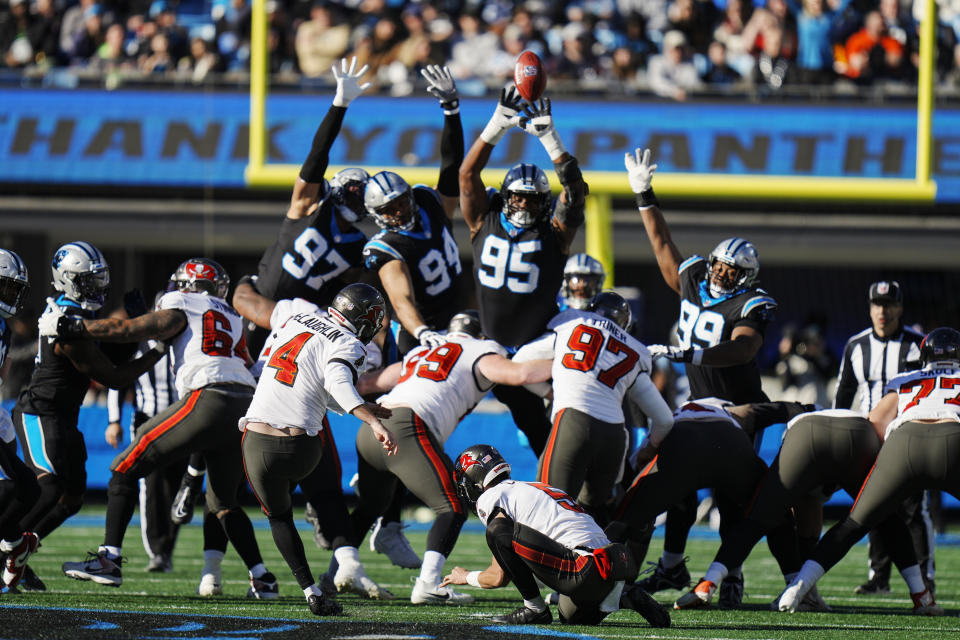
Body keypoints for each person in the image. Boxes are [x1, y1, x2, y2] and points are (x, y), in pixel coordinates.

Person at [48, 258, 279, 596]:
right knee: (224, 503)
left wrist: (76, 327)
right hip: (245, 404)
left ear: (184, 284)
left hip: (208, 396)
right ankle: (263, 578)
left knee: (123, 468)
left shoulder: (180, 302)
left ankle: (109, 559)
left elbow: (128, 331)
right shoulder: (230, 314)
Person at [624, 148, 777, 604]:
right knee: (678, 485)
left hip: (738, 409)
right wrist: (643, 194)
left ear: (745, 278)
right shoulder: (693, 277)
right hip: (697, 404)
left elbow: (744, 347)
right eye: (718, 266)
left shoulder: (751, 304)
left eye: (731, 272)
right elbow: (662, 247)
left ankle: (731, 575)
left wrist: (691, 352)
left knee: (733, 497)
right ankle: (671, 566)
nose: (721, 275)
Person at [348, 310, 553, 605]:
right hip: (407, 426)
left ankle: (337, 572)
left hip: (372, 424)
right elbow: (520, 374)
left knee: (371, 506)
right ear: (482, 334)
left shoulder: (424, 350)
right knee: (453, 506)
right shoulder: (482, 351)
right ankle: (429, 584)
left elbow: (368, 383)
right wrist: (570, 361)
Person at [12, 241, 166, 590]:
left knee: (72, 499)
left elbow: (114, 353)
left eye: (98, 281)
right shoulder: (65, 322)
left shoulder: (81, 317)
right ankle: (9, 550)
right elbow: (114, 376)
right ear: (67, 280)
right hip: (39, 412)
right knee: (49, 489)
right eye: (87, 281)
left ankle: (17, 554)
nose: (96, 288)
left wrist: (138, 329)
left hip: (65, 417)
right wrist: (156, 346)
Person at [231, 277, 397, 599]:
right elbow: (337, 382)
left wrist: (361, 407)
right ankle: (315, 509)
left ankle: (309, 588)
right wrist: (371, 420)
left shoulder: (296, 316)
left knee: (279, 518)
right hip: (301, 447)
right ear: (363, 320)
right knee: (323, 486)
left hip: (253, 441)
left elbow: (323, 387)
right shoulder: (350, 343)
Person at [777, 327, 960, 616]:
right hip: (953, 438)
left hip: (904, 442)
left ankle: (797, 588)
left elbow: (875, 422)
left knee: (853, 523)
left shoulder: (907, 379)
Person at [675, 407, 917, 612]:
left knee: (758, 518)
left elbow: (807, 510)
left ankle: (708, 583)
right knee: (881, 516)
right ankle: (922, 594)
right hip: (859, 432)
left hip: (804, 432)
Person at [459, 87, 588, 457]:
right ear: (504, 195)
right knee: (437, 400)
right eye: (516, 196)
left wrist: (550, 138)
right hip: (489, 345)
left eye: (532, 199)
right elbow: (467, 174)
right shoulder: (484, 220)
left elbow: (576, 193)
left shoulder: (554, 234)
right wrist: (496, 124)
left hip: (535, 348)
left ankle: (581, 491)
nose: (522, 204)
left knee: (545, 429)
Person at [442, 444, 671, 628]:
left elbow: (498, 575)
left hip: (584, 567)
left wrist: (466, 577)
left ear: (474, 481)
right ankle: (626, 596)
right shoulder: (534, 487)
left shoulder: (492, 496)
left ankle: (534, 609)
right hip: (613, 564)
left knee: (497, 532)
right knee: (572, 617)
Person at [607, 400, 807, 605]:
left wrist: (630, 506)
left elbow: (637, 464)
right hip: (730, 442)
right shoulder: (728, 410)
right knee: (772, 509)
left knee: (628, 518)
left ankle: (615, 585)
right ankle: (795, 583)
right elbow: (771, 410)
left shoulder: (680, 411)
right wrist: (808, 408)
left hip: (682, 443)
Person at [513, 292, 673, 523]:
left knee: (546, 506)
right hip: (615, 437)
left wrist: (549, 391)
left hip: (573, 420)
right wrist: (648, 449)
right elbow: (665, 420)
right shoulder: (636, 350)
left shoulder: (572, 322)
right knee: (592, 517)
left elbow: (520, 363)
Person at [834, 280, 932, 596]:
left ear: (900, 308)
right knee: (873, 506)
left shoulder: (919, 345)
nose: (882, 311)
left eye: (889, 305)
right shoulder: (856, 345)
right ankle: (879, 577)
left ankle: (924, 576)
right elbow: (844, 392)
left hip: (908, 434)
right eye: (877, 304)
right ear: (870, 307)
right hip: (870, 435)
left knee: (914, 509)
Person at [361, 63, 464, 355]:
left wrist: (451, 110)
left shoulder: (430, 202)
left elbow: (451, 167)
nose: (399, 212)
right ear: (377, 215)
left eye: (401, 202)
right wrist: (422, 332)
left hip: (455, 322)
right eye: (389, 209)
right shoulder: (388, 247)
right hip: (418, 333)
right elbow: (400, 298)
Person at [104, 304, 181, 573]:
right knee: (152, 484)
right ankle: (158, 551)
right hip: (148, 420)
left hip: (182, 420)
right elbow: (118, 378)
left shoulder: (185, 336)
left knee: (177, 486)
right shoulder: (138, 341)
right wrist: (114, 420)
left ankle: (166, 547)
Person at [0, 249, 41, 590]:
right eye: (7, 288)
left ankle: (13, 548)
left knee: (24, 488)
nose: (12, 296)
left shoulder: (3, 327)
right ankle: (13, 549)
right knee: (19, 487)